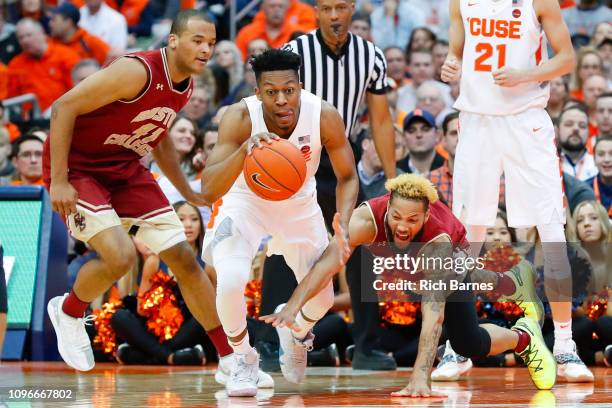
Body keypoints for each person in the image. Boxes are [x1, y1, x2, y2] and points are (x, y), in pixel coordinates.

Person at [42, 11, 237, 382]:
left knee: (184, 258)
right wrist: (60, 180)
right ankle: (69, 310)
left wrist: (186, 192)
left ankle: (230, 360)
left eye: (211, 43)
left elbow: (157, 137)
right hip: (80, 169)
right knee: (120, 256)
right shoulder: (137, 71)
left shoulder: (186, 85)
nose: (206, 49)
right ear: (174, 40)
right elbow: (63, 106)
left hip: (125, 168)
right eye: (198, 40)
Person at [260, 174, 557, 395]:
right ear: (387, 207)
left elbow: (433, 315)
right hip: (407, 262)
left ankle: (524, 337)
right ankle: (511, 281)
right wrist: (293, 307)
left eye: (413, 220)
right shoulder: (366, 220)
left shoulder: (438, 240)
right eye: (397, 216)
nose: (403, 225)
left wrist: (420, 377)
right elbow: (326, 264)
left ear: (426, 215)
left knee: (469, 342)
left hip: (453, 255)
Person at [442, 0, 593, 381]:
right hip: (476, 122)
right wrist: (451, 63)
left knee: (551, 231)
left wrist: (526, 74)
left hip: (527, 121)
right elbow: (456, 48)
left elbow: (567, 59)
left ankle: (564, 345)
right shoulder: (461, 1)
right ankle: (455, 348)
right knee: (467, 235)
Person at [200, 49, 358, 396]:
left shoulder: (323, 115)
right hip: (244, 202)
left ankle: (297, 332)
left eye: (289, 90)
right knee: (230, 280)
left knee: (323, 300)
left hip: (298, 203)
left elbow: (348, 177)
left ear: (300, 86)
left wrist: (342, 223)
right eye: (271, 92)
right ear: (259, 93)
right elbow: (209, 187)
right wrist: (244, 151)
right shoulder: (240, 116)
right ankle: (243, 359)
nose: (282, 100)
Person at [267, 0, 397, 372]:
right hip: (297, 153)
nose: (335, 16)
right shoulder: (295, 52)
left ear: (352, 9)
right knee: (283, 242)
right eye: (326, 8)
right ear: (316, 12)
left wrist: (392, 178)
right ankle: (266, 342)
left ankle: (366, 346)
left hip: (344, 155)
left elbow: (382, 120)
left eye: (341, 7)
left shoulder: (371, 56)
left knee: (362, 243)